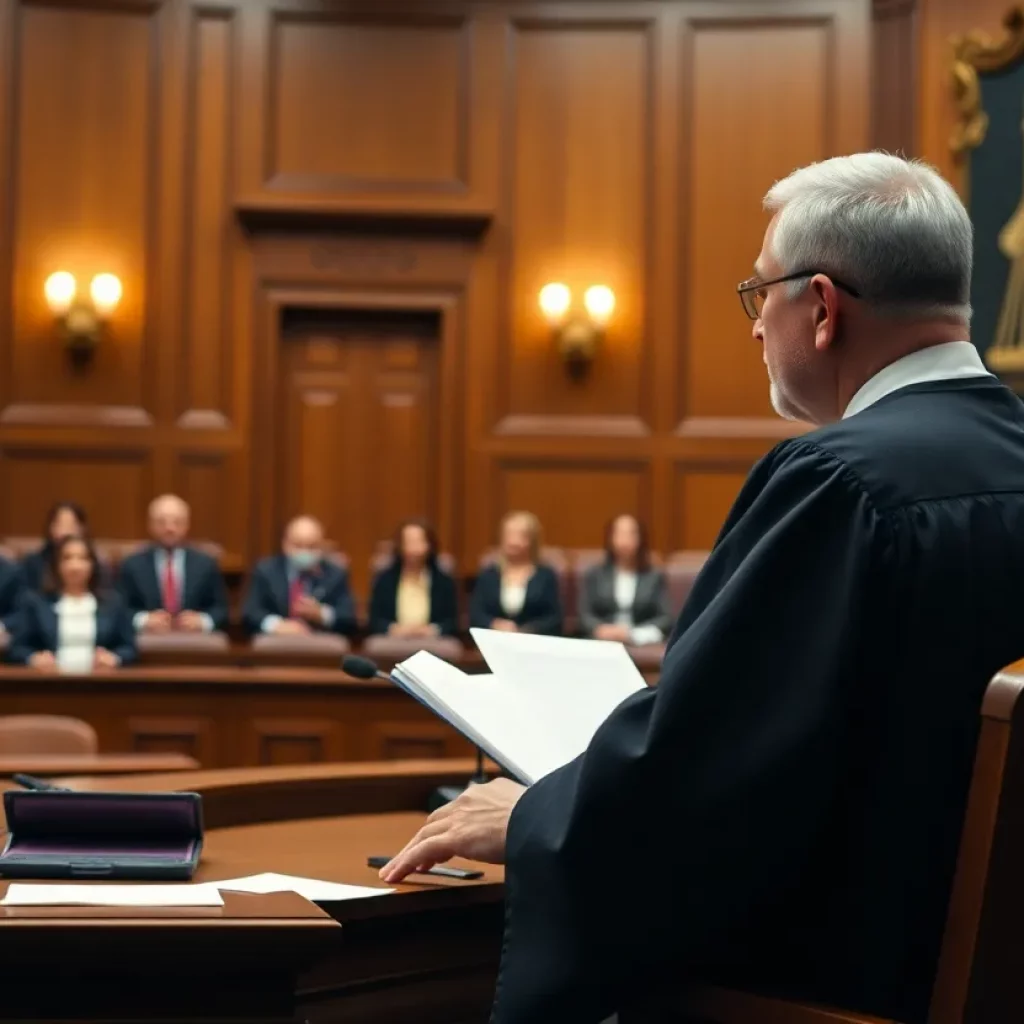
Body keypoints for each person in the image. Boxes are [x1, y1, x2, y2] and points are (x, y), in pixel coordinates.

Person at [379, 153, 1024, 1024]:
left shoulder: (837, 482)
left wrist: (537, 818)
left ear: (824, 307)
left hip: (836, 988)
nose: (757, 327)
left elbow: (709, 780)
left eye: (763, 295)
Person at [9, 535, 136, 672]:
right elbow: (17, 649)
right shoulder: (35, 603)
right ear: (56, 565)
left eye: (83, 558)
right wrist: (33, 658)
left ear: (93, 564)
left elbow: (129, 648)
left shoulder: (113, 603)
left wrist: (114, 658)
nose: (75, 566)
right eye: (67, 558)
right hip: (49, 684)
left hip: (100, 683)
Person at [116, 494, 229, 635]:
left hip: (193, 640)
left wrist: (202, 620)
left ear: (187, 524)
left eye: (177, 522)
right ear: (150, 525)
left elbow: (221, 610)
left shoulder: (206, 564)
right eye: (161, 522)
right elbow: (119, 608)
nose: (169, 528)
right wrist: (144, 620)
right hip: (148, 640)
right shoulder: (132, 564)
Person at [241, 515, 357, 637]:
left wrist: (322, 614)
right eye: (298, 545)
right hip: (277, 642)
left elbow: (348, 617)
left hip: (318, 643)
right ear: (285, 544)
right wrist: (277, 625)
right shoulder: (266, 571)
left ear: (321, 546)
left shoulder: (335, 574)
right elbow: (251, 613)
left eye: (312, 546)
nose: (304, 552)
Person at [578, 514, 671, 645]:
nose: (625, 540)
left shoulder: (654, 576)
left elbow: (665, 618)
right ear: (610, 538)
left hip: (639, 640)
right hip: (602, 639)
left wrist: (632, 632)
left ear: (640, 538)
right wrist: (601, 629)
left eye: (631, 534)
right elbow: (584, 615)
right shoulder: (595, 574)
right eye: (619, 534)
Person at [469, 512, 562, 635]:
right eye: (508, 535)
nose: (513, 541)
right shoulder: (489, 575)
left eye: (521, 536)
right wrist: (494, 624)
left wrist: (526, 630)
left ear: (532, 540)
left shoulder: (545, 575)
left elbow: (554, 618)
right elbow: (476, 614)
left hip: (533, 640)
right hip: (494, 639)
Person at [367, 520, 459, 638]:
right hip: (394, 637)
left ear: (430, 545)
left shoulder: (443, 581)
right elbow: (374, 620)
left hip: (431, 638)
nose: (413, 548)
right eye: (408, 542)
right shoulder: (384, 580)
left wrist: (432, 630)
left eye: (419, 542)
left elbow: (452, 622)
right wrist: (394, 629)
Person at [20, 501, 92, 592]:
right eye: (60, 524)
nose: (65, 531)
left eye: (71, 525)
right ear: (50, 527)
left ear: (82, 529)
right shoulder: (34, 562)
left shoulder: (95, 561)